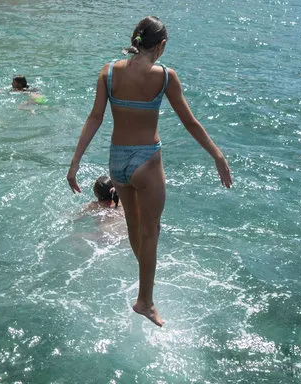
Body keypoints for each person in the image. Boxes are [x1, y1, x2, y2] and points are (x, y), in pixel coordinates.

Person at [67, 16, 232, 327]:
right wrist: (218, 156)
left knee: (134, 226)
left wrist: (75, 163)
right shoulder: (165, 77)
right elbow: (190, 122)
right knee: (150, 232)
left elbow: (95, 118)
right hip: (147, 161)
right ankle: (145, 300)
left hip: (117, 162)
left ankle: (145, 283)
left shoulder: (109, 72)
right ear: (162, 46)